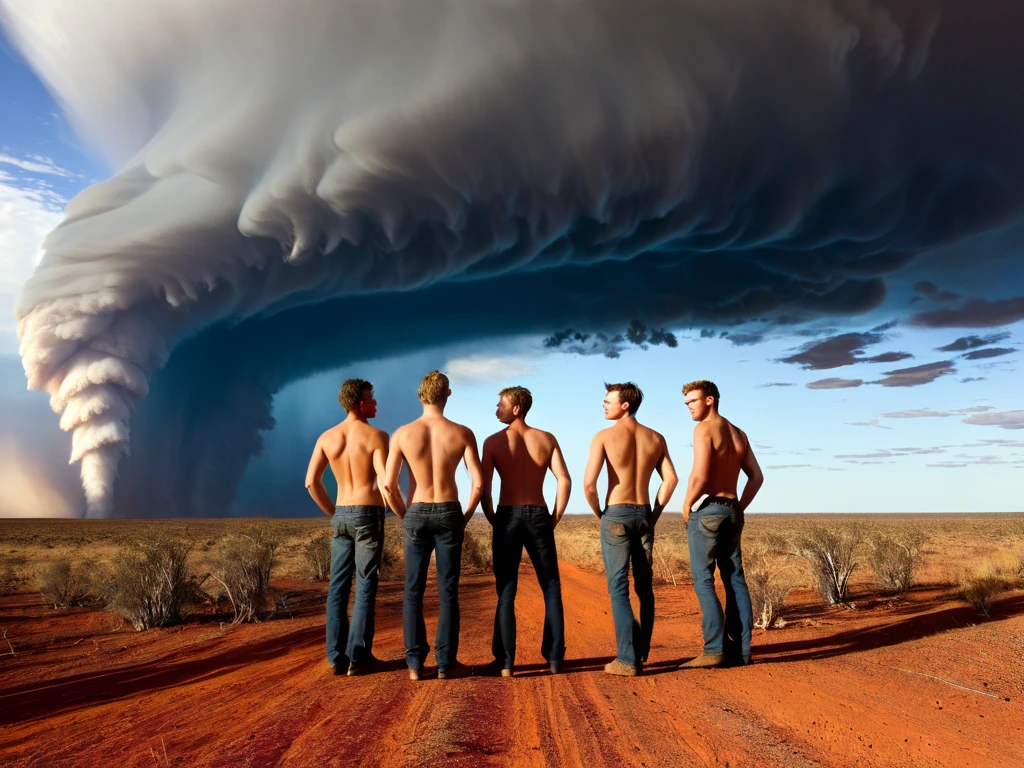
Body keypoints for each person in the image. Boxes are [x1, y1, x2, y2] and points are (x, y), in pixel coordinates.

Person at [382, 370, 484, 680]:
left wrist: (405, 516)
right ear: (447, 394)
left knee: (413, 590)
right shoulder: (463, 433)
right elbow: (478, 485)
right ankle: (445, 663)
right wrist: (463, 517)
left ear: (420, 395)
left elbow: (388, 486)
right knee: (447, 590)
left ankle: (414, 664)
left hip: (416, 510)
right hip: (449, 512)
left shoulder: (402, 434)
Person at [583, 382, 678, 676]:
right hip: (644, 513)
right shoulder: (656, 437)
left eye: (608, 400)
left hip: (616, 514)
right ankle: (642, 652)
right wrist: (655, 515)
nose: (603, 404)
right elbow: (671, 480)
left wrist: (601, 512)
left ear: (625, 405)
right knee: (645, 589)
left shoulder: (604, 436)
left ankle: (626, 659)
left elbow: (589, 484)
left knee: (619, 588)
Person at [481, 386, 571, 676]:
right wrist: (554, 516)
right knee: (551, 587)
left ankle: (506, 663)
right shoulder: (546, 439)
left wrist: (493, 516)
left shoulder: (493, 442)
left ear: (517, 408)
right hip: (538, 513)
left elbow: (484, 487)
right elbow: (564, 480)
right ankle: (555, 658)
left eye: (501, 404)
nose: (496, 409)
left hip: (507, 515)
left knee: (506, 589)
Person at [305, 378, 389, 676]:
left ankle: (336, 657)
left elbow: (310, 482)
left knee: (337, 587)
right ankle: (359, 657)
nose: (375, 402)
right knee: (366, 584)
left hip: (341, 514)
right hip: (368, 513)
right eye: (371, 397)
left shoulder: (327, 437)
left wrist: (334, 512)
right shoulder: (378, 436)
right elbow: (386, 482)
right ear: (358, 402)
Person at [678, 380, 764, 668]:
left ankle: (713, 649)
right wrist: (739, 506)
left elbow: (700, 476)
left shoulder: (704, 429)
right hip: (732, 510)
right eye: (686, 402)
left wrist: (687, 502)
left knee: (704, 579)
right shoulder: (739, 434)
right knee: (735, 579)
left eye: (692, 401)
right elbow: (757, 477)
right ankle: (741, 651)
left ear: (710, 400)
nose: (688, 406)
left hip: (711, 509)